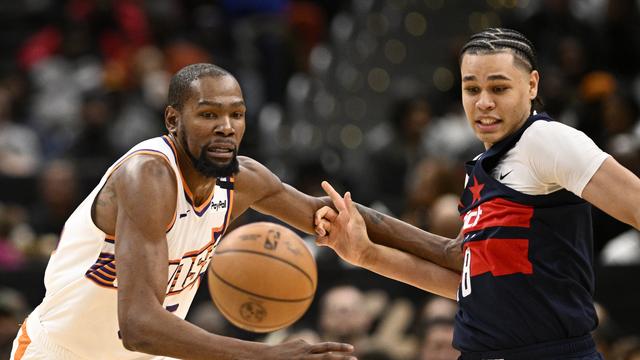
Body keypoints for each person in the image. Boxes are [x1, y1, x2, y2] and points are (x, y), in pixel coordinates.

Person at [315, 28, 640, 360]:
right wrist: (365, 253)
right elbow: (467, 279)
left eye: (499, 88)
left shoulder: (546, 140)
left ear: (532, 85)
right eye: (471, 88)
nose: (483, 102)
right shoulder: (484, 166)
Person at [10, 63, 359, 360]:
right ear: (173, 120)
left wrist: (412, 255)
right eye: (209, 114)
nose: (225, 126)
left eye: (236, 114)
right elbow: (137, 327)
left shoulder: (243, 180)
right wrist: (264, 354)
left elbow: (334, 215)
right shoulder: (147, 176)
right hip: (62, 352)